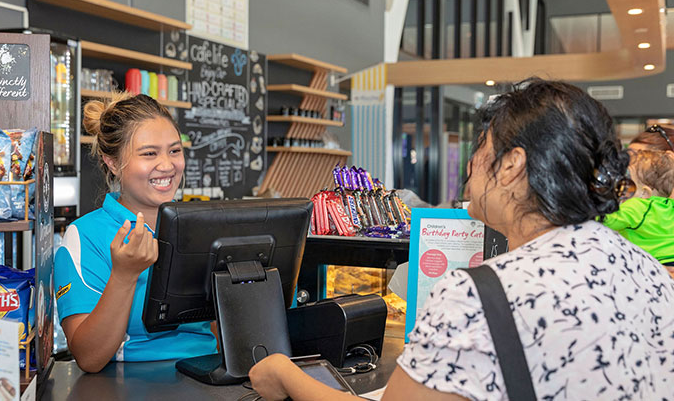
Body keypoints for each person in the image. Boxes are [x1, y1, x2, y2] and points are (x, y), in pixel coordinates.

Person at [248, 79, 674, 400]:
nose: (471, 164)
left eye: (482, 146)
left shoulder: (480, 296)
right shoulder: (648, 270)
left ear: (511, 166)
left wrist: (286, 375)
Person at [54, 93, 216, 373]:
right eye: (149, 153)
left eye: (175, 151)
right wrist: (124, 275)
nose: (167, 165)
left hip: (210, 373)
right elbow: (89, 357)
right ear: (113, 163)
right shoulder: (83, 236)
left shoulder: (200, 226)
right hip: (128, 383)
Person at [603, 150, 674, 268]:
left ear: (645, 193)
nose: (622, 187)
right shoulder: (670, 206)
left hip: (653, 264)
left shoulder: (638, 206)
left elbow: (607, 221)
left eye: (629, 183)